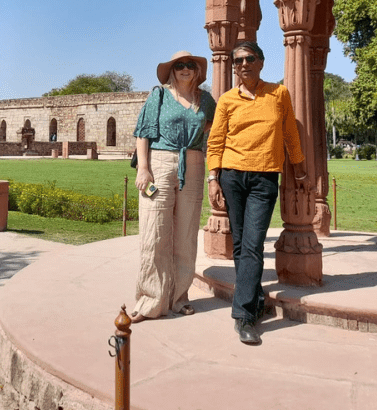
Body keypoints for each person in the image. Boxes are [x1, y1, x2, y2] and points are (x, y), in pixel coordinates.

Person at [206, 41, 307, 345]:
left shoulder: (278, 94)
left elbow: (290, 133)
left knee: (252, 244)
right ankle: (254, 301)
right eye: (237, 61)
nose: (243, 65)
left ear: (261, 62)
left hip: (264, 178)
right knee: (241, 245)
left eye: (249, 59)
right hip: (232, 176)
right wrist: (214, 178)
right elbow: (216, 141)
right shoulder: (226, 100)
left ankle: (244, 316)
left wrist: (300, 169)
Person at [131, 51, 217, 323]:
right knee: (154, 232)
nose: (184, 69)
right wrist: (143, 167)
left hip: (192, 163)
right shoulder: (159, 96)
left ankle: (179, 298)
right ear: (172, 70)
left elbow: (214, 128)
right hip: (160, 163)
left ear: (197, 71)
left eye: (189, 65)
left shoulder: (205, 100)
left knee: (186, 234)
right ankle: (151, 301)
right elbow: (143, 133)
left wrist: (196, 144)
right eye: (179, 65)